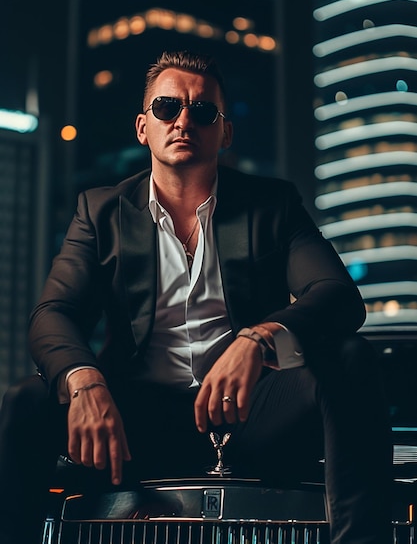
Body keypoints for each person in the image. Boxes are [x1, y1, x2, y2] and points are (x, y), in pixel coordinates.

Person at [0, 50, 392, 544]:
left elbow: (337, 296)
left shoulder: (272, 205)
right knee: (26, 400)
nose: (183, 120)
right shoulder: (100, 212)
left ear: (224, 132)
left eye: (202, 111)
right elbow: (52, 313)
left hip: (251, 413)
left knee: (351, 357)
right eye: (167, 108)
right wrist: (84, 381)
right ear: (144, 127)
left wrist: (258, 339)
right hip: (137, 422)